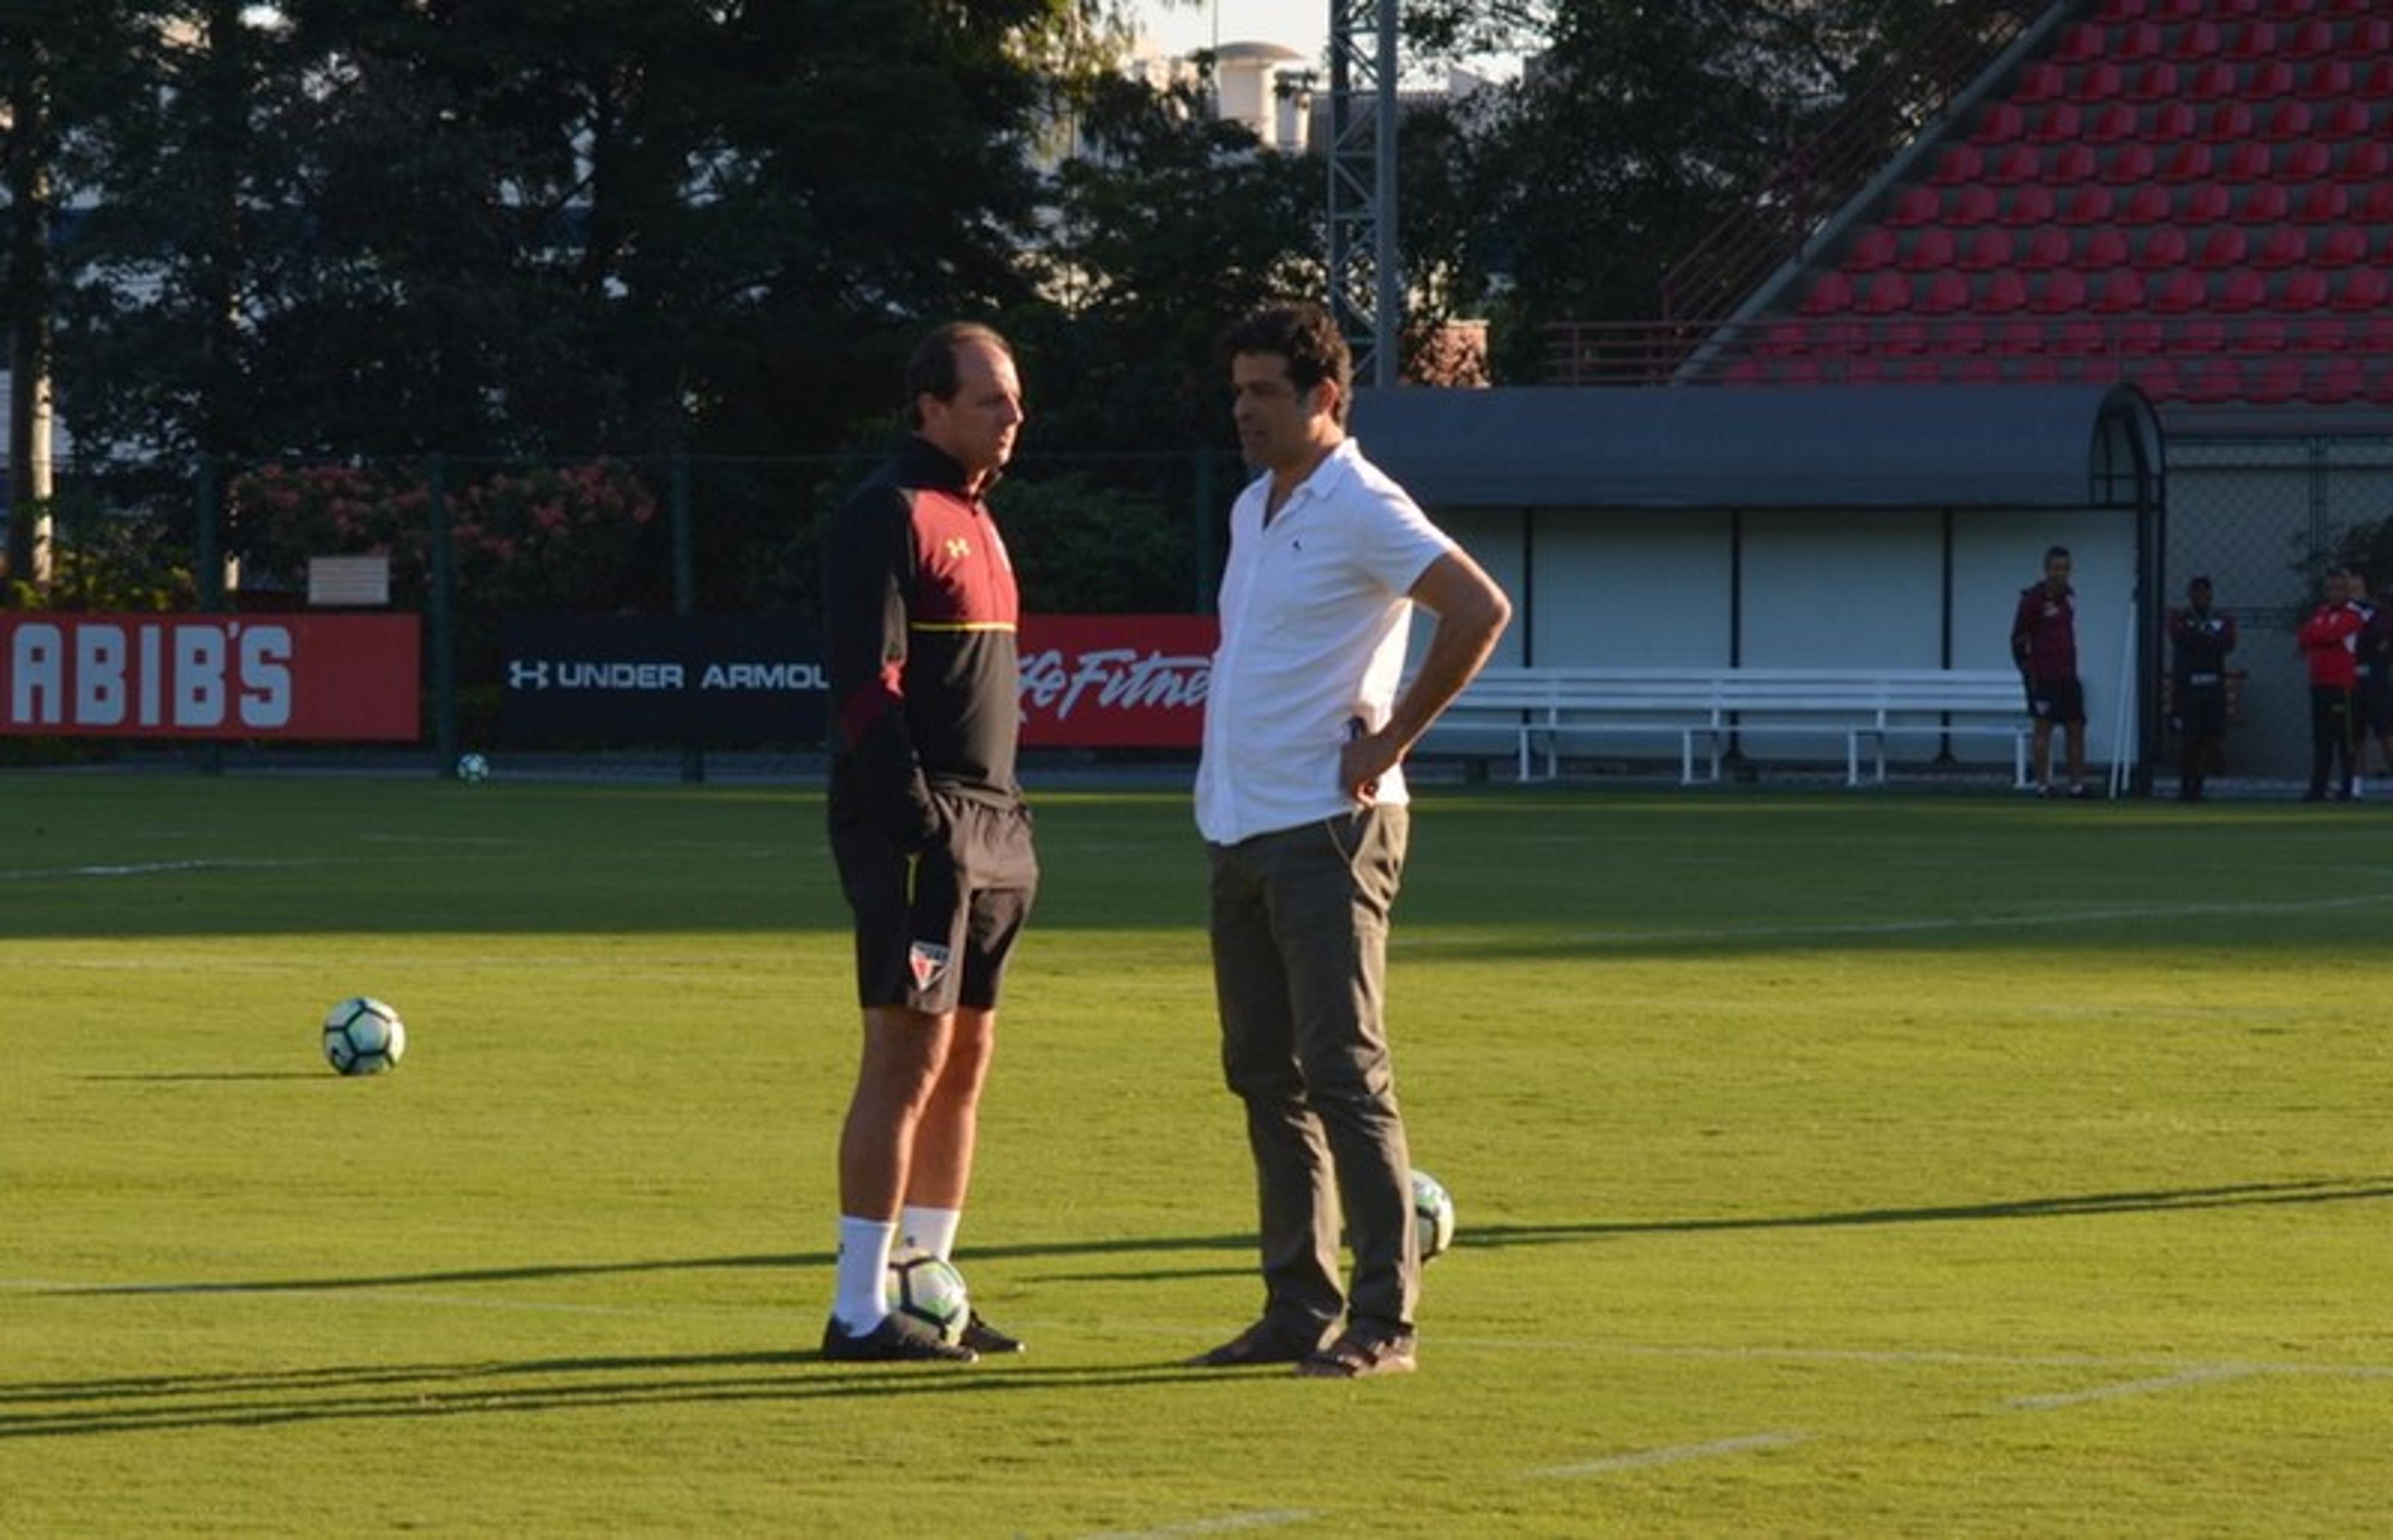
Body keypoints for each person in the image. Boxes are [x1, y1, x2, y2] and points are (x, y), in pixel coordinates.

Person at [1187, 302, 1512, 1379]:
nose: (1243, 410)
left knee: (1343, 1071)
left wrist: (1391, 741)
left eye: (1264, 392)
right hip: (1242, 823)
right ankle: (1294, 1306)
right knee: (1263, 1075)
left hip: (1329, 829)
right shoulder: (1253, 507)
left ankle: (1386, 1319)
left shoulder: (1364, 502)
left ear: (1326, 396)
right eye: (1237, 390)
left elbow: (1478, 608)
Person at [818, 322, 1039, 1363]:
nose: (1013, 416)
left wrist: (996, 818)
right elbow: (865, 683)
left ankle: (930, 1284)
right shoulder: (890, 510)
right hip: (924, 827)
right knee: (905, 1053)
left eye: (1016, 399)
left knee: (968, 1056)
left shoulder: (982, 520)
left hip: (997, 825)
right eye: (992, 398)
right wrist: (918, 819)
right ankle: (858, 1308)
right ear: (931, 408)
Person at [2010, 544, 2092, 799]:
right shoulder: (2032, 600)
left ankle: (2077, 786)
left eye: (2065, 568)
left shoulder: (2069, 596)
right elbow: (2018, 638)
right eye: (2056, 568)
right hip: (2044, 677)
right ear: (2046, 569)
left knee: (2076, 727)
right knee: (2043, 728)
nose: (2061, 573)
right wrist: (2028, 669)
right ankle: (2044, 786)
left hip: (2068, 675)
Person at [2166, 576, 2236, 802]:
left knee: (2210, 738)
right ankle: (2185, 786)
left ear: (2211, 595)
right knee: (2188, 740)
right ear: (2190, 595)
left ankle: (2199, 785)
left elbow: (2228, 641)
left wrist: (2201, 637)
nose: (2201, 597)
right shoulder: (2180, 617)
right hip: (2188, 689)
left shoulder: (2221, 619)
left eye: (2205, 593)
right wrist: (2208, 638)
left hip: (2213, 688)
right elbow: (2181, 638)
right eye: (2196, 593)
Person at [2297, 566, 2364, 802]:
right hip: (2320, 684)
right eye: (2330, 589)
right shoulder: (2321, 613)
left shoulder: (2352, 616)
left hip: (2342, 686)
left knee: (2345, 741)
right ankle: (2318, 787)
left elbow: (2328, 635)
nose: (2333, 593)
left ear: (2347, 591)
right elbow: (2305, 636)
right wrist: (2320, 634)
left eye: (2339, 589)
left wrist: (2320, 634)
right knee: (2322, 740)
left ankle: (2348, 788)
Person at [2348, 570, 2393, 795]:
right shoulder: (2343, 614)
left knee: (2385, 732)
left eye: (2357, 586)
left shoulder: (2380, 616)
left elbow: (2382, 644)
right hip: (2351, 680)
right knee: (2355, 736)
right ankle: (2356, 787)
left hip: (2377, 680)